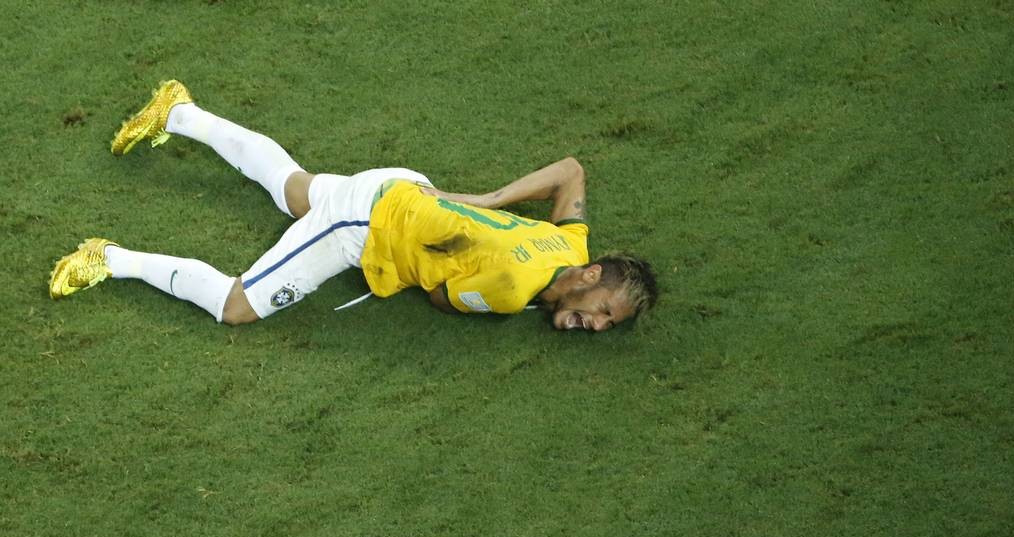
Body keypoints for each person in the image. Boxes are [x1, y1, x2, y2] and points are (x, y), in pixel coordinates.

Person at [49, 80, 657, 331]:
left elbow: (570, 171)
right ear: (589, 275)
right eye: (601, 309)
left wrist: (491, 200)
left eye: (608, 324)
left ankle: (178, 110)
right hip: (366, 224)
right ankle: (108, 257)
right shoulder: (507, 293)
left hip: (404, 186)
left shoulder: (571, 241)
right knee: (237, 306)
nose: (596, 325)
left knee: (294, 189)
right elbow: (443, 298)